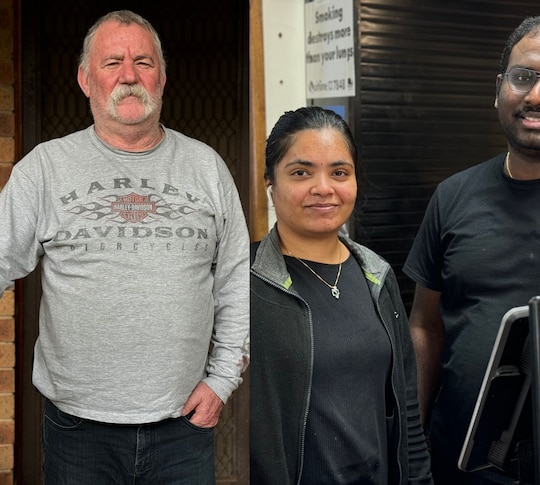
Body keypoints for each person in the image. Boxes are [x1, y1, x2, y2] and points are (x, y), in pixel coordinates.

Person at [0, 10, 249, 484]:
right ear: (85, 79)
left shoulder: (206, 168)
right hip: (78, 431)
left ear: (162, 77)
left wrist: (221, 381)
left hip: (182, 426)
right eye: (112, 62)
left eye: (143, 62)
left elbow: (236, 283)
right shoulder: (45, 169)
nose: (129, 75)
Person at [404, 14, 540, 484]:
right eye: (523, 77)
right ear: (499, 87)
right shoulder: (453, 196)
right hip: (457, 462)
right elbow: (425, 325)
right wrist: (412, 444)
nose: (536, 96)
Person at [249, 106, 433, 485]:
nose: (323, 188)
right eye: (301, 172)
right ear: (270, 182)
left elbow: (407, 413)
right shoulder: (245, 281)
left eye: (339, 172)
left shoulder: (377, 276)